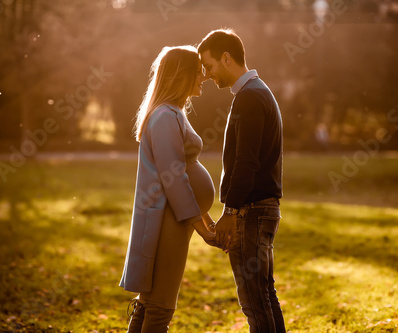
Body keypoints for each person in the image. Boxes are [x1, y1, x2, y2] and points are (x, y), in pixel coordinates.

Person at [120, 45, 218, 332]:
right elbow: (173, 179)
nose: (204, 77)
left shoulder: (172, 112)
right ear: (181, 75)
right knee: (160, 305)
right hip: (169, 220)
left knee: (150, 302)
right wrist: (202, 228)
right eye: (198, 72)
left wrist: (206, 220)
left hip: (175, 218)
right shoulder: (164, 117)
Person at [198, 29, 286, 332]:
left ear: (226, 58)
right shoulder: (256, 92)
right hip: (260, 210)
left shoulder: (250, 97)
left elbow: (247, 163)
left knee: (255, 302)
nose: (207, 75)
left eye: (209, 67)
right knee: (264, 297)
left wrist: (230, 212)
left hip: (252, 212)